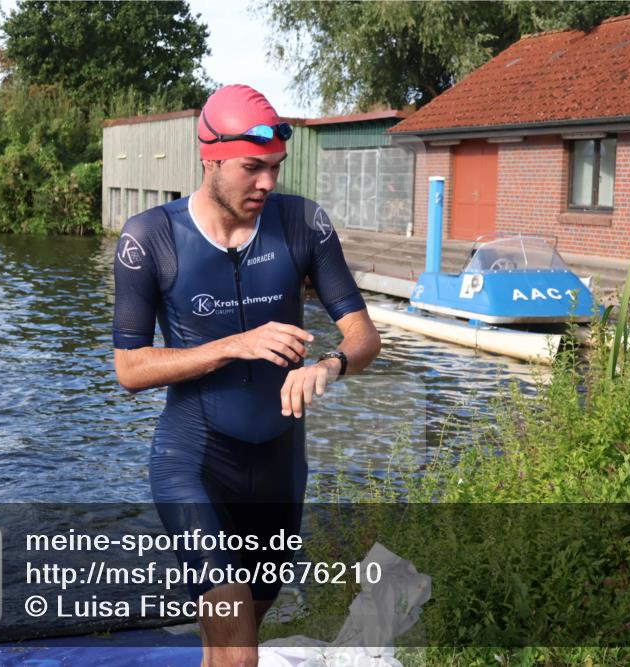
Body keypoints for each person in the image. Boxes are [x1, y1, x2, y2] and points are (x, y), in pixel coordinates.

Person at [113, 84, 381, 665]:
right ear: (209, 159)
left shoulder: (303, 223)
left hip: (280, 467)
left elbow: (364, 336)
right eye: (251, 168)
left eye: (275, 168)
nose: (267, 183)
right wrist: (237, 345)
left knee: (230, 645)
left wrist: (330, 365)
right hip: (193, 462)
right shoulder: (151, 237)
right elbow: (129, 367)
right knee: (240, 652)